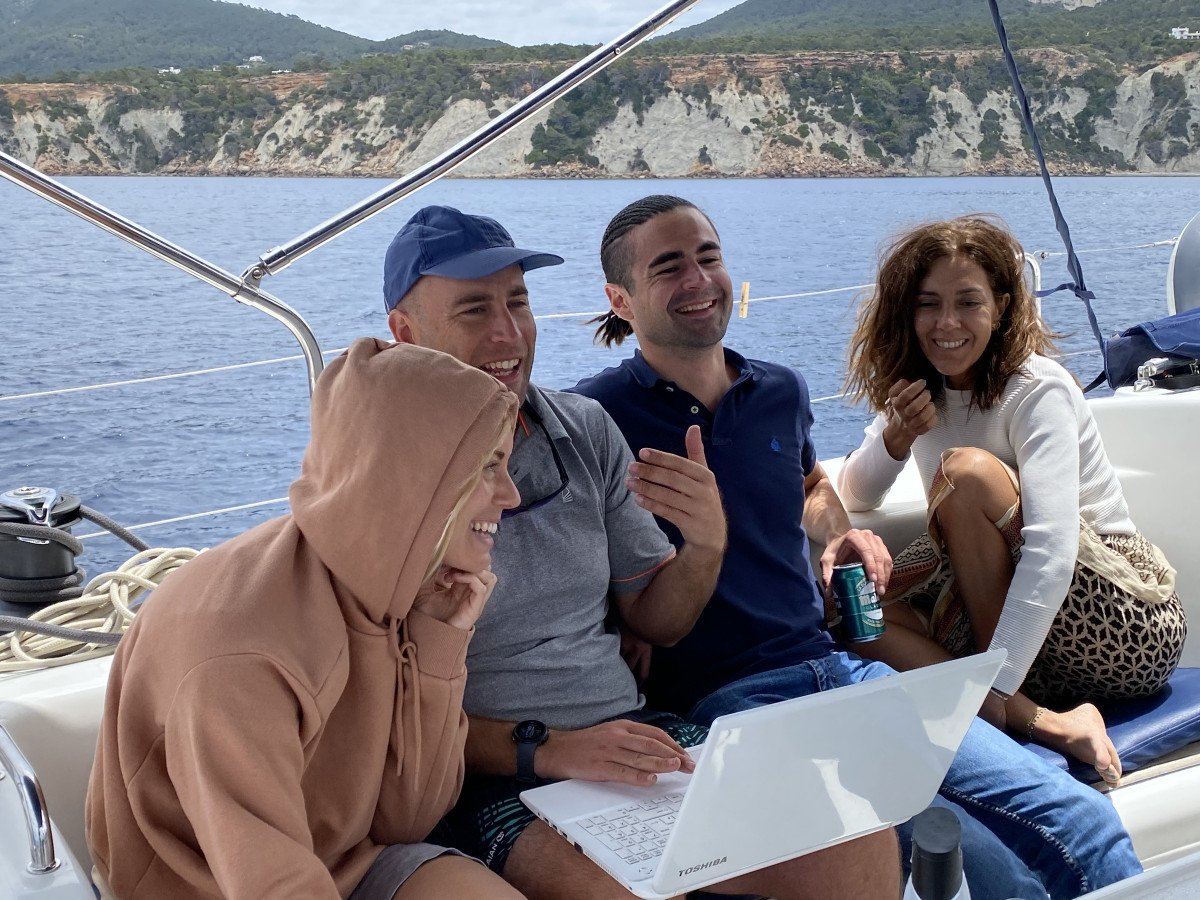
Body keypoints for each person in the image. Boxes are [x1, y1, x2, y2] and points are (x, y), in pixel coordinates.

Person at [572, 194, 1144, 900]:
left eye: (708, 257)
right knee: (990, 872)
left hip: (840, 671)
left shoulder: (778, 390)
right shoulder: (593, 420)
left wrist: (838, 530)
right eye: (668, 266)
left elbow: (812, 481)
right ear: (620, 300)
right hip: (733, 708)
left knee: (1080, 819)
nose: (697, 278)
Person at [383, 204, 902, 899]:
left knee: (853, 832)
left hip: (639, 733)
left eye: (518, 301)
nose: (508, 332)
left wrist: (706, 543)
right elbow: (386, 716)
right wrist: (551, 748)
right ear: (404, 332)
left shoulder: (585, 427)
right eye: (474, 309)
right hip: (495, 775)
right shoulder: (379, 481)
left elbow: (659, 621)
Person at [86, 339, 526, 899]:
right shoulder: (242, 653)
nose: (510, 495)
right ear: (412, 475)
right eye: (489, 467)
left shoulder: (389, 584)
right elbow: (269, 885)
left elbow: (406, 821)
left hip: (341, 863)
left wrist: (440, 645)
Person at [838, 214, 1186, 778]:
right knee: (854, 613)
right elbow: (857, 490)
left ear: (1000, 308)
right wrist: (896, 437)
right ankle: (1044, 721)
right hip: (1011, 629)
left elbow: (1050, 551)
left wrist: (993, 684)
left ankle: (999, 708)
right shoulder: (921, 388)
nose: (946, 323)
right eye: (927, 304)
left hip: (1115, 618)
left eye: (968, 302)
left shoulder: (1035, 387)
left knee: (968, 475)